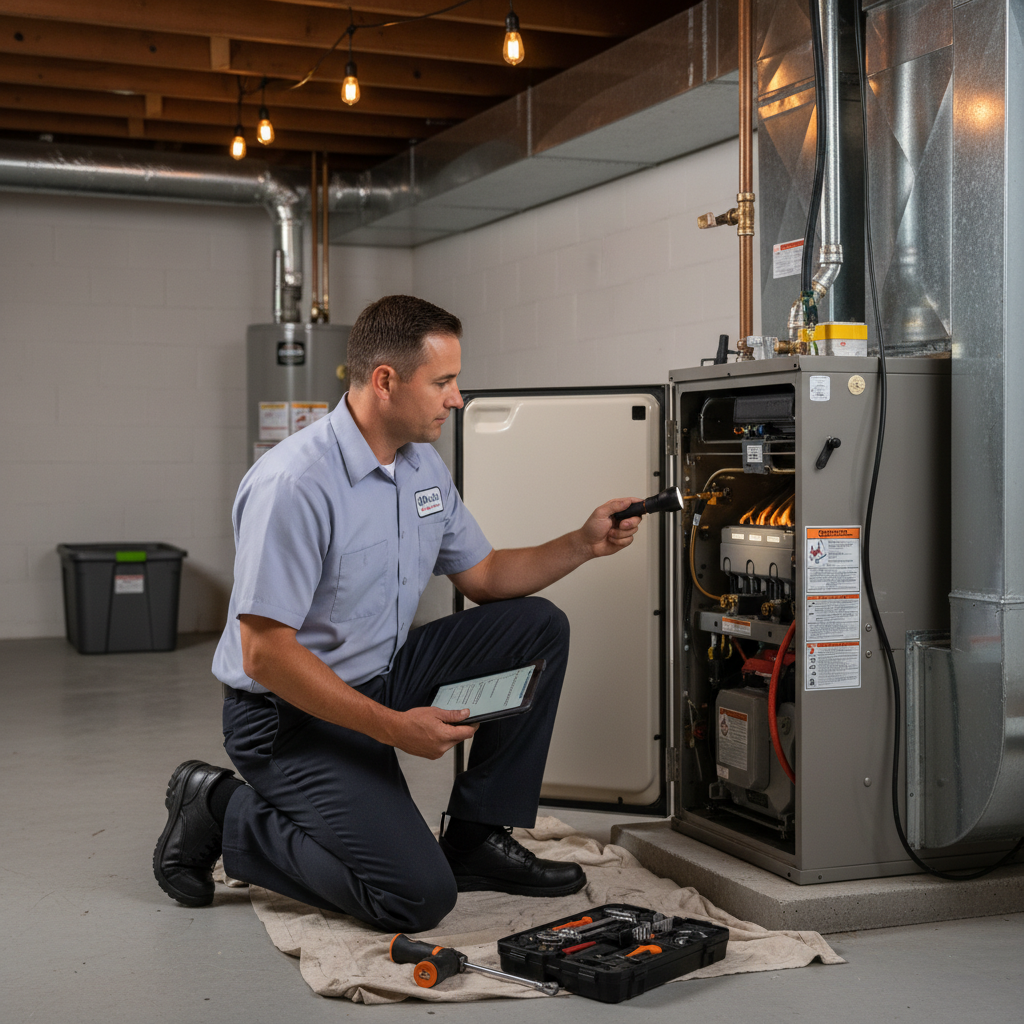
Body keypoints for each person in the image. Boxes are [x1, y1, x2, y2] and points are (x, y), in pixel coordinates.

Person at [153, 295, 641, 933]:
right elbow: (264, 653)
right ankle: (220, 807)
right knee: (414, 897)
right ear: (385, 381)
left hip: (378, 678)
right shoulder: (295, 483)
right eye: (443, 382)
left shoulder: (421, 467)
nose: (457, 398)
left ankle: (474, 838)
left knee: (536, 626)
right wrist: (392, 728)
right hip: (287, 717)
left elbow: (487, 576)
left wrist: (582, 543)